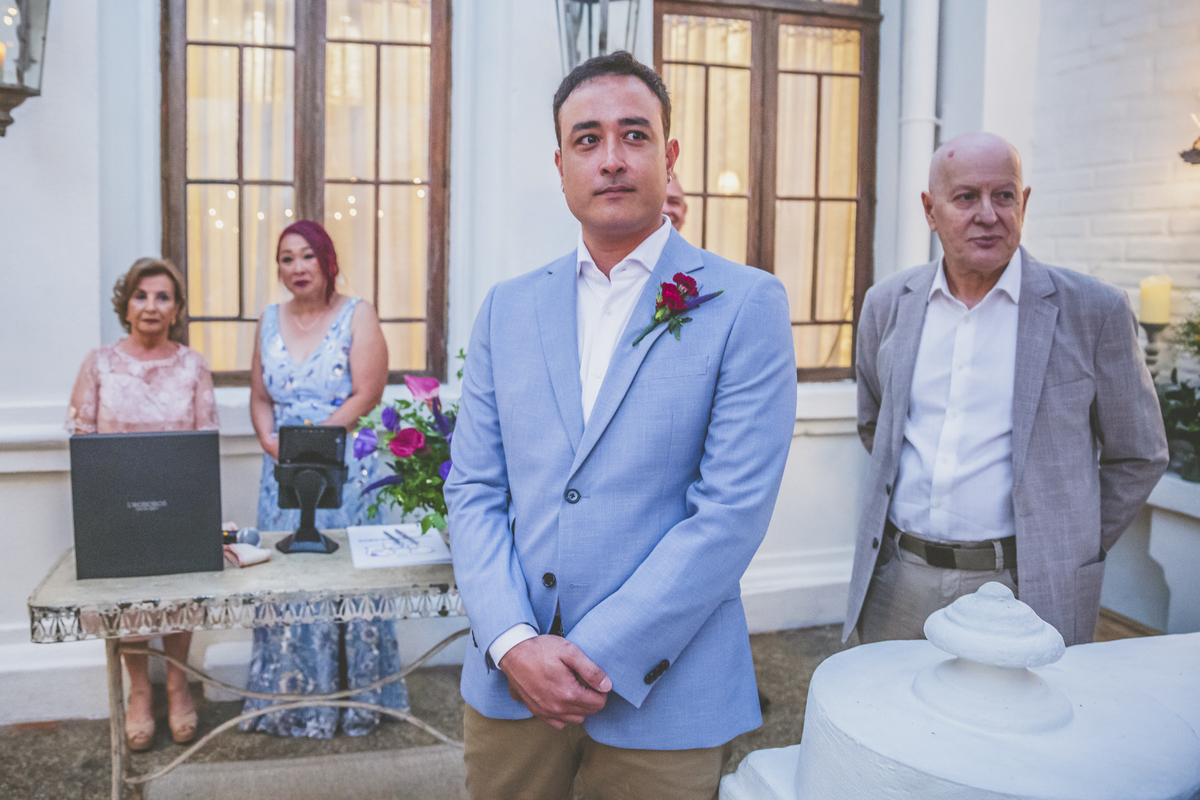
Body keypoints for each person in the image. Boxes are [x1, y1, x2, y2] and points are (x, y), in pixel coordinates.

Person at [445, 52, 797, 799]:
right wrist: (513, 643)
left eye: (635, 135)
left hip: (667, 692)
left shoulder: (745, 304)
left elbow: (730, 513)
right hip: (513, 685)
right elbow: (473, 490)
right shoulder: (507, 308)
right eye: (587, 139)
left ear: (670, 156)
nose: (611, 158)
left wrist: (595, 655)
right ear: (560, 165)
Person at [846, 131, 1168, 648]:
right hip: (899, 580)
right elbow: (875, 423)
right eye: (966, 197)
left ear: (1024, 203)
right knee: (889, 700)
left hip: (1024, 587)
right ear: (930, 210)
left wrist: (1067, 542)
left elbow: (1140, 454)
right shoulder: (887, 304)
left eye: (1004, 196)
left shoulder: (1094, 310)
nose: (988, 215)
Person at [240, 220, 408, 738]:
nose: (297, 268)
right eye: (286, 258)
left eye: (307, 256)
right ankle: (289, 702)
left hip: (343, 464)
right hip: (283, 472)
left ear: (327, 261)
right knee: (289, 578)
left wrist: (313, 443)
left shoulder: (358, 314)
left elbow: (368, 393)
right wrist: (271, 441)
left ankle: (358, 701)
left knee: (345, 575)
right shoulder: (269, 319)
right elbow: (260, 397)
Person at [67, 257, 219, 751]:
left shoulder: (194, 365)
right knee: (127, 599)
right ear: (126, 305)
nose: (151, 306)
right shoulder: (98, 363)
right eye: (141, 295)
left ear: (175, 309)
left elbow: (205, 439)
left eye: (162, 297)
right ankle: (138, 691)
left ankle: (176, 685)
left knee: (180, 593)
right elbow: (82, 439)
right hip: (117, 508)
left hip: (178, 505)